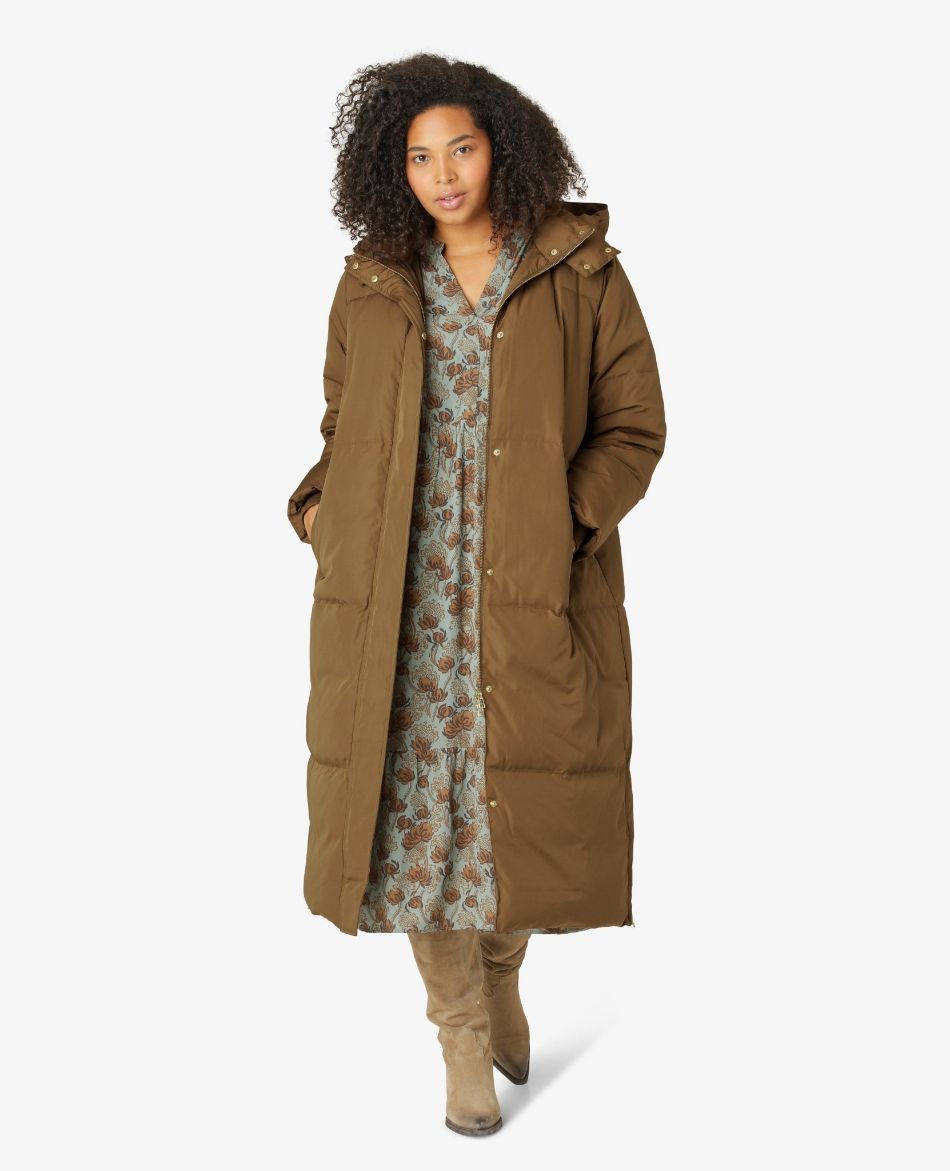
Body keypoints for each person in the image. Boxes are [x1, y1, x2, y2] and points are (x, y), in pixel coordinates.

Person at [286, 53, 666, 1136]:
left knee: (523, 809)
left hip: (529, 593)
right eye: (418, 157)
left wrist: (566, 524)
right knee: (411, 821)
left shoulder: (578, 272)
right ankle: (458, 1030)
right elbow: (342, 421)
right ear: (390, 169)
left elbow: (634, 426)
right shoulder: (373, 280)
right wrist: (321, 513)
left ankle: (501, 969)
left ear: (503, 146)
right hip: (398, 600)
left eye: (460, 148)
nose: (442, 175)